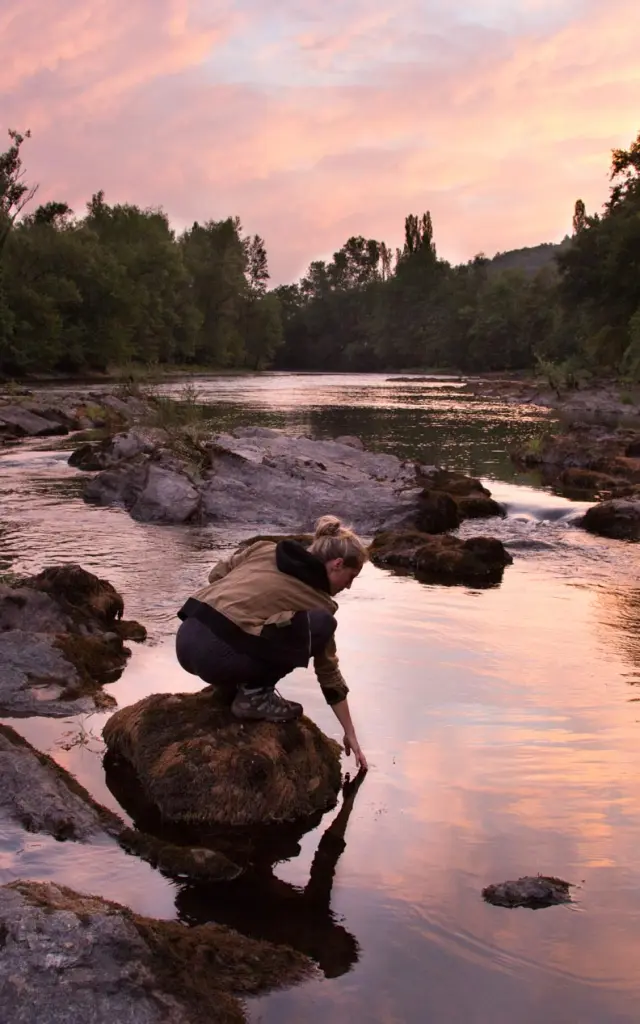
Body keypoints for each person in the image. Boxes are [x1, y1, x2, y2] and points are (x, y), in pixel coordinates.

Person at [175, 515, 368, 770]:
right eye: (351, 577)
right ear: (337, 564)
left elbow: (216, 574)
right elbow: (328, 672)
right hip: (215, 658)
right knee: (320, 625)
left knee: (259, 627)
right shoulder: (320, 602)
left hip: (185, 636)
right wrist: (350, 733)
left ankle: (234, 687)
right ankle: (255, 696)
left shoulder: (265, 548)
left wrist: (251, 600)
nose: (349, 586)